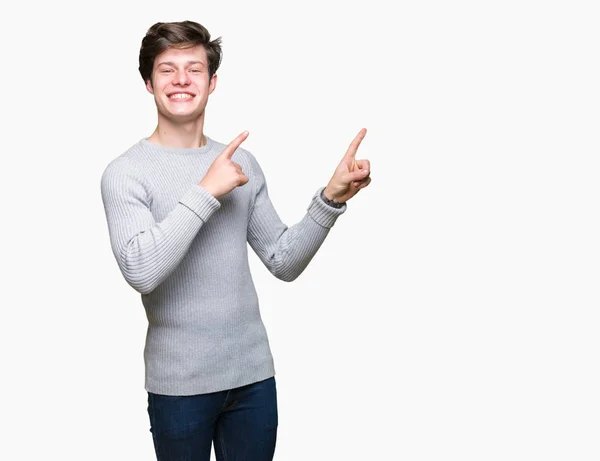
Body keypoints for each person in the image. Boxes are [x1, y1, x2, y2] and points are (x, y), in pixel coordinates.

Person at [100, 20, 371, 461]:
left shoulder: (241, 162)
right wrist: (206, 191)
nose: (182, 80)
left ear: (212, 82)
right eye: (168, 70)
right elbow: (142, 271)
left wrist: (330, 199)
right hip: (180, 387)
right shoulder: (125, 172)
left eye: (194, 68)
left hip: (253, 379)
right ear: (148, 83)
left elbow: (283, 261)